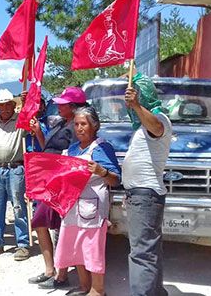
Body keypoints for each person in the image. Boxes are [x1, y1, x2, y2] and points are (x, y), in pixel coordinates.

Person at [54, 106, 121, 296]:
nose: (79, 128)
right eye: (76, 124)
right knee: (76, 246)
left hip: (92, 207)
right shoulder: (73, 149)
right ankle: (84, 286)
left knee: (92, 248)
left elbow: (115, 180)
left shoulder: (101, 147)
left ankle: (98, 290)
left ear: (94, 126)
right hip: (72, 206)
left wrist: (102, 172)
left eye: (83, 124)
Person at [31, 86, 87, 290]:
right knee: (40, 221)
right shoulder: (64, 122)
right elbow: (49, 147)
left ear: (73, 107)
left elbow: (73, 156)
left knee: (59, 226)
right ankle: (50, 270)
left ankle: (61, 274)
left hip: (62, 183)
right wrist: (38, 134)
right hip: (49, 180)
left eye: (63, 104)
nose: (58, 106)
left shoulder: (78, 127)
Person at [123, 74, 172, 296]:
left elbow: (156, 126)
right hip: (142, 196)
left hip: (145, 196)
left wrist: (137, 105)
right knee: (149, 251)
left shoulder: (158, 119)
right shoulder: (142, 126)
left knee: (141, 254)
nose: (129, 105)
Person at [0, 89, 30, 261]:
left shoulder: (20, 121)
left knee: (18, 207)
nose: (5, 108)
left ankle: (23, 244)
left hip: (15, 169)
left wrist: (27, 101)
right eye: (2, 105)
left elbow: (31, 115)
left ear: (13, 105)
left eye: (8, 104)